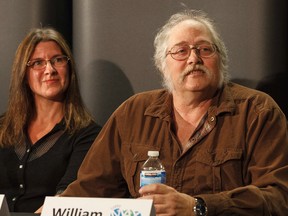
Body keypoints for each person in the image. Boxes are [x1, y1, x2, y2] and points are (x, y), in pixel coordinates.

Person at [61, 10, 288, 215]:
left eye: (205, 49)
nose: (194, 58)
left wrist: (198, 206)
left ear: (221, 60)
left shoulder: (257, 111)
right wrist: (54, 209)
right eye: (181, 51)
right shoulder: (132, 113)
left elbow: (278, 197)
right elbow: (90, 188)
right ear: (162, 64)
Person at [0, 27, 102, 213]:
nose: (50, 70)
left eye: (58, 60)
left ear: (69, 68)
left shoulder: (87, 134)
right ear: (24, 73)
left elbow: (67, 196)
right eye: (38, 63)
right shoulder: (2, 128)